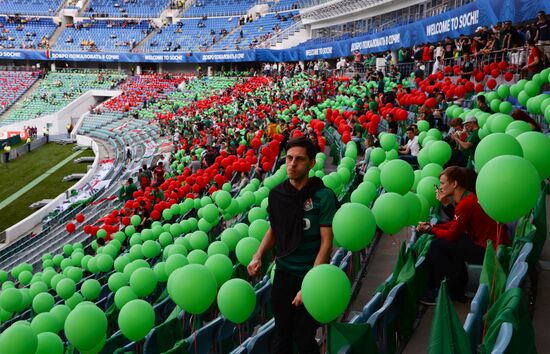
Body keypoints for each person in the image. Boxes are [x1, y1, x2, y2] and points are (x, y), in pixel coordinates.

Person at [247, 136, 337, 354]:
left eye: (299, 159)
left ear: (312, 163)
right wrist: (258, 255)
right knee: (282, 336)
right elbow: (275, 229)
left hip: (311, 274)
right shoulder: (277, 194)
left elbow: (326, 244)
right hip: (284, 273)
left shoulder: (323, 197)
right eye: (288, 158)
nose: (292, 164)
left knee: (304, 337)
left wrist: (310, 285)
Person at [416, 166, 508, 303]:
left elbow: (452, 234)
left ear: (454, 184)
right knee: (448, 242)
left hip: (489, 250)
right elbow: (455, 224)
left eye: (442, 183)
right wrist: (433, 227)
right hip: (488, 244)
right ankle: (457, 290)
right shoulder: (468, 197)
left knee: (437, 245)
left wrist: (431, 230)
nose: (440, 187)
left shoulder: (466, 203)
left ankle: (445, 293)